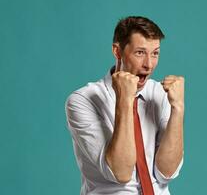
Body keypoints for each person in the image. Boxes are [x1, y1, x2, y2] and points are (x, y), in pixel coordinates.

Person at [65, 16, 184, 195]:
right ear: (117, 51)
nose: (149, 65)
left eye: (155, 53)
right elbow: (120, 172)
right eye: (140, 52)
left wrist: (178, 109)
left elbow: (167, 172)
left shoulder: (160, 94)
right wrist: (125, 100)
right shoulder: (82, 100)